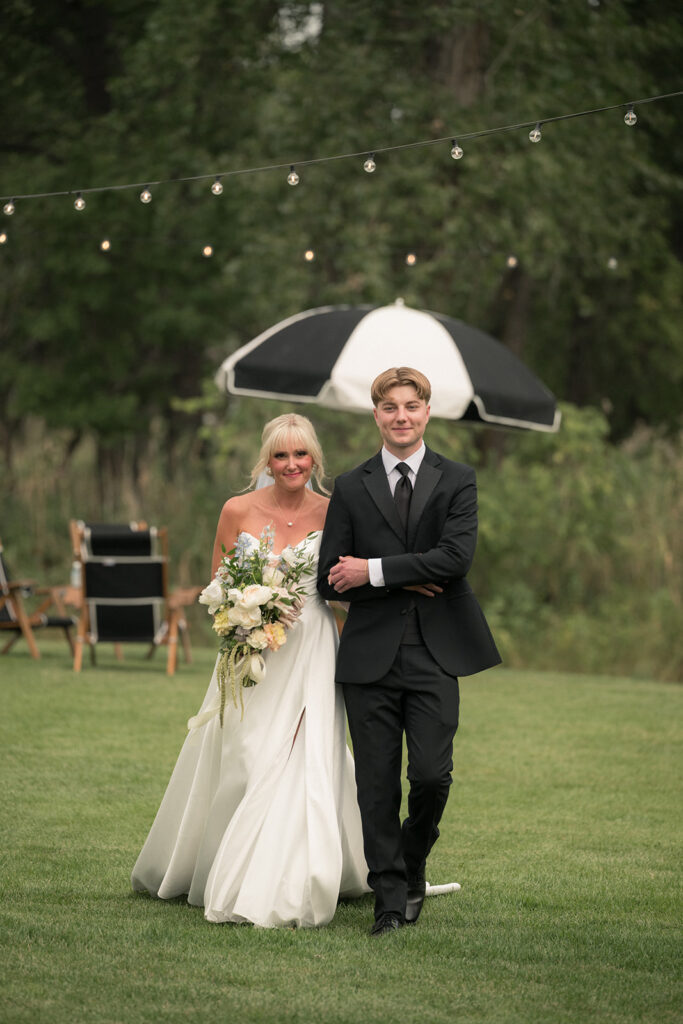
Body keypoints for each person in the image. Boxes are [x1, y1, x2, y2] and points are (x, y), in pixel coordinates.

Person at [131, 413, 369, 927]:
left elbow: (345, 584)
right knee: (247, 755)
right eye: (280, 455)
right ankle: (223, 864)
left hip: (312, 647)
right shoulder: (236, 509)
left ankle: (300, 875)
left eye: (300, 454)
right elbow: (218, 583)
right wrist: (244, 617)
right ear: (267, 459)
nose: (291, 464)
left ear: (315, 459)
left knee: (303, 759)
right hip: (251, 650)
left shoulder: (335, 512)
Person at [317, 367, 501, 937]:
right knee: (375, 783)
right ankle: (389, 901)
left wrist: (373, 571)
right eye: (390, 407)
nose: (402, 416)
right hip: (368, 655)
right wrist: (401, 577)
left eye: (412, 406)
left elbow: (454, 561)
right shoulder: (350, 486)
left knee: (430, 776)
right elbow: (329, 579)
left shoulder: (457, 479)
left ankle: (414, 860)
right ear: (377, 414)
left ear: (427, 412)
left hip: (434, 652)